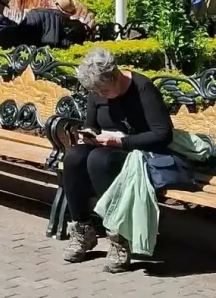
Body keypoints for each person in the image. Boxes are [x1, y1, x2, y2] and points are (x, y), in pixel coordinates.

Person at [62, 47, 173, 272]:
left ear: (114, 76)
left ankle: (118, 236)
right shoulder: (98, 91)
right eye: (96, 92)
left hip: (140, 151)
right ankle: (83, 229)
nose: (100, 95)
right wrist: (88, 134)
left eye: (104, 90)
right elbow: (92, 123)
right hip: (106, 145)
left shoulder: (143, 89)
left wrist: (120, 142)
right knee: (73, 157)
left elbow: (163, 134)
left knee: (99, 161)